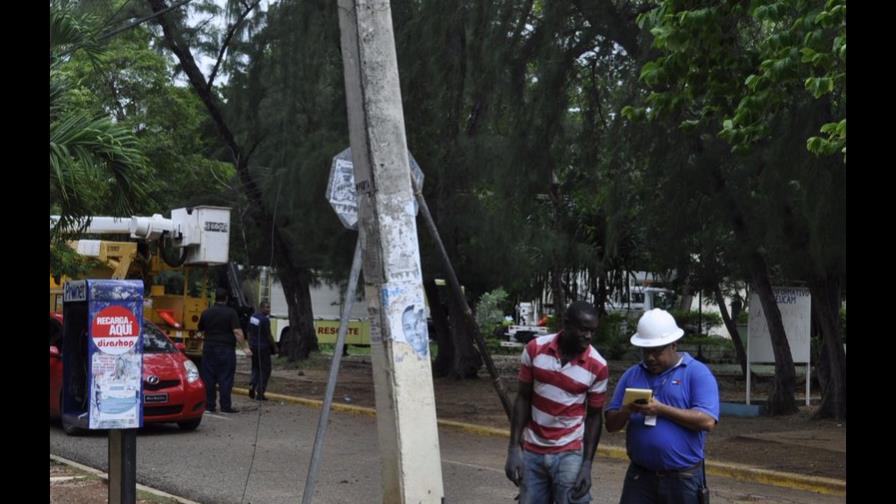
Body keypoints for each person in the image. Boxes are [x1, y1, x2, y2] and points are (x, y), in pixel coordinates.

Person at [604, 308, 720, 504]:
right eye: (645, 351)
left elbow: (707, 421)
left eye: (656, 351)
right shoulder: (632, 375)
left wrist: (661, 410)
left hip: (682, 478)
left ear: (673, 345)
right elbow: (611, 425)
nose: (650, 357)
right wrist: (626, 410)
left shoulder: (696, 373)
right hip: (640, 477)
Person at [505, 301, 609, 504]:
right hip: (533, 450)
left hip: (570, 450)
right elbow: (523, 398)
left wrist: (587, 465)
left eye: (592, 331)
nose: (588, 336)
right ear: (567, 324)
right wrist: (513, 448)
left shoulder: (598, 366)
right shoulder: (535, 349)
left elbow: (595, 417)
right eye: (583, 329)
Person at [198, 287, 251, 413]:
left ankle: (209, 405)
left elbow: (200, 330)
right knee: (225, 377)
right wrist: (245, 348)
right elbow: (237, 332)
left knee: (209, 377)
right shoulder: (231, 313)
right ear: (226, 298)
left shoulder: (206, 312)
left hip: (209, 348)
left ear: (215, 298)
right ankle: (225, 406)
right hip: (226, 349)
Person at [247, 301, 278, 400]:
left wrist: (250, 344)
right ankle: (260, 392)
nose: (268, 310)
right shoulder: (265, 320)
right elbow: (268, 335)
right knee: (265, 370)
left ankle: (252, 384)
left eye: (269, 308)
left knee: (255, 367)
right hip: (263, 348)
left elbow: (249, 331)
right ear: (261, 308)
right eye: (266, 308)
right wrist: (275, 347)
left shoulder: (253, 317)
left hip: (253, 347)